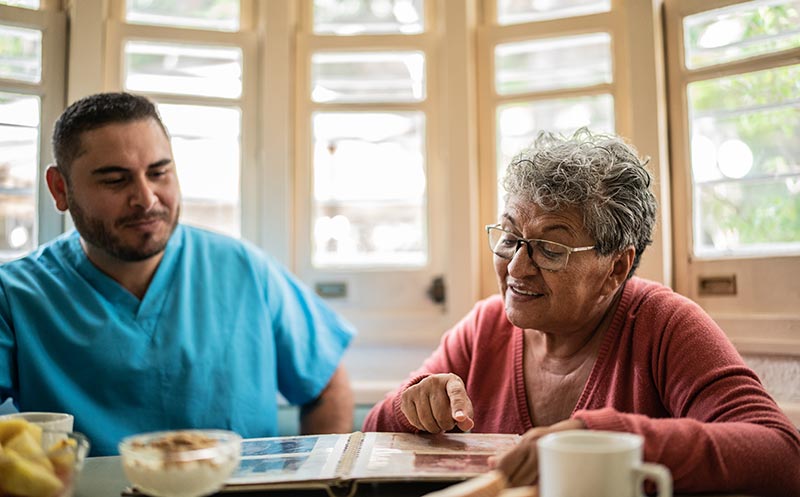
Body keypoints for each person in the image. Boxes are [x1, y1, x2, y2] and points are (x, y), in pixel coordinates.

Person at [363, 129, 800, 496]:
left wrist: (605, 439)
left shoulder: (663, 325)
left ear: (616, 268)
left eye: (550, 249)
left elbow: (781, 452)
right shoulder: (484, 327)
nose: (516, 265)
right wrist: (412, 406)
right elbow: (370, 433)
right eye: (511, 237)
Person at [0, 92, 356, 456]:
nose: (147, 198)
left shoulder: (243, 268)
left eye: (159, 173)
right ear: (61, 189)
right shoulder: (15, 296)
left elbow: (327, 387)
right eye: (115, 180)